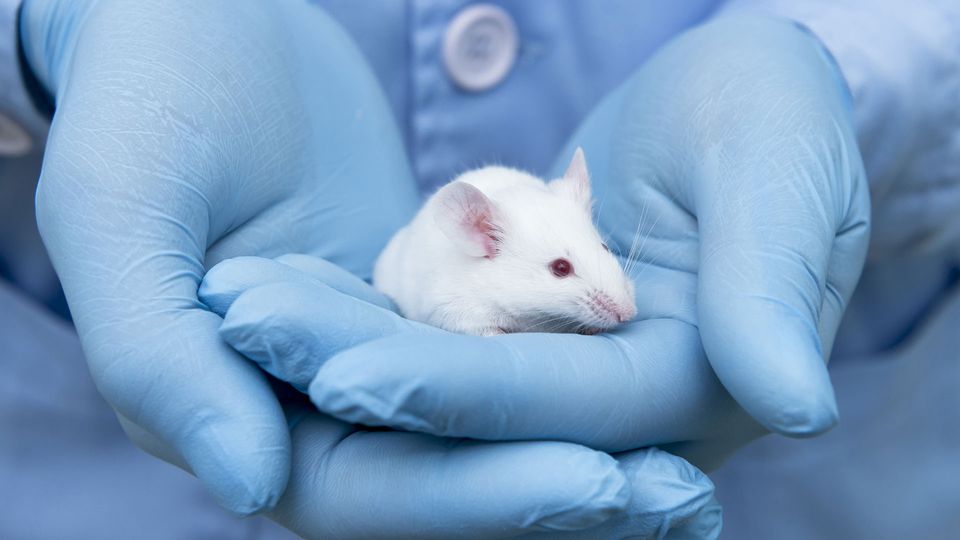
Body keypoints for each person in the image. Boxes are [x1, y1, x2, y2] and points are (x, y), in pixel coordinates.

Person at [1, 0, 956, 538]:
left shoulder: (557, 231)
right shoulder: (466, 242)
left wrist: (839, 55)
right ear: (482, 236)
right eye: (559, 269)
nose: (607, 299)